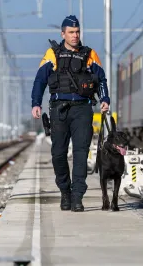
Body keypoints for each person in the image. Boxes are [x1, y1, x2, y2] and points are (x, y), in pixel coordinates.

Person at [31, 15, 110, 212]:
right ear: (63, 34)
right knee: (58, 154)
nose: (75, 36)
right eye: (71, 32)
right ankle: (65, 191)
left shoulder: (90, 54)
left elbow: (101, 80)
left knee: (81, 153)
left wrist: (105, 99)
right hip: (59, 109)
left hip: (83, 109)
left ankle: (77, 197)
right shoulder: (52, 54)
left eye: (77, 32)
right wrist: (36, 103)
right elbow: (40, 80)